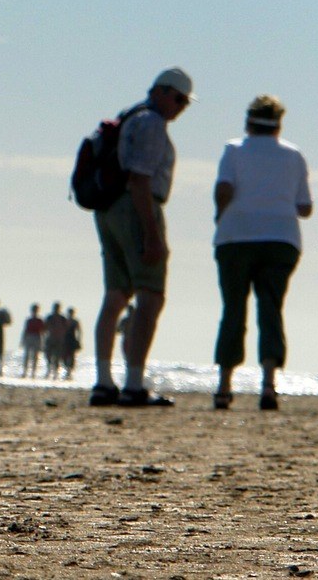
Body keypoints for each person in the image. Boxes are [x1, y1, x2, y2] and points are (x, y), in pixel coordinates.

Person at [90, 67, 193, 408]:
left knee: (116, 295)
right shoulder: (151, 122)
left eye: (186, 102)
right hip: (137, 207)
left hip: (108, 209)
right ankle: (133, 384)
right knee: (150, 294)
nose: (181, 107)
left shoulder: (129, 116)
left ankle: (104, 382)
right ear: (161, 92)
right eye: (178, 98)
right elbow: (140, 179)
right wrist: (152, 233)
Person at [208, 95, 313, 412]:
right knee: (271, 308)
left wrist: (220, 214)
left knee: (233, 308)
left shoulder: (234, 149)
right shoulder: (294, 156)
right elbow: (305, 207)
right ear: (278, 124)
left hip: (235, 236)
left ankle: (225, 385)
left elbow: (224, 188)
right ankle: (268, 385)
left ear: (248, 122)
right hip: (281, 240)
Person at [43, 302, 70, 379]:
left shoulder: (62, 318)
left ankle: (55, 373)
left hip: (59, 339)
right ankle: (49, 370)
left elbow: (67, 328)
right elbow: (45, 327)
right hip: (51, 338)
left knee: (57, 356)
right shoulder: (50, 317)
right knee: (48, 355)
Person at [19, 304, 44, 378]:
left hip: (37, 337)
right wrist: (23, 340)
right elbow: (25, 330)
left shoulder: (40, 320)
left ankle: (33, 372)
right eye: (34, 310)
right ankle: (25, 372)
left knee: (35, 356)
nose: (34, 311)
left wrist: (43, 342)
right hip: (29, 337)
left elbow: (42, 331)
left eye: (36, 310)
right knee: (27, 355)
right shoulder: (29, 320)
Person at [63, 307, 83, 379]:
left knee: (71, 356)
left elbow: (79, 331)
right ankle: (67, 369)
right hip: (65, 340)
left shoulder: (75, 321)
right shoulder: (65, 321)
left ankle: (69, 371)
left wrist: (79, 340)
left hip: (72, 340)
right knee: (65, 356)